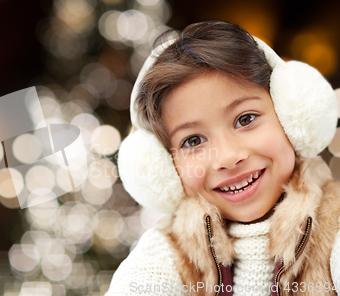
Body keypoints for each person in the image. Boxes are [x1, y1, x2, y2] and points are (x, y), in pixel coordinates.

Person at [106, 21, 340, 296]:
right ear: (165, 166)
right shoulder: (165, 253)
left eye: (245, 119)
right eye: (193, 140)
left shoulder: (334, 223)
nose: (227, 158)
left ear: (290, 114)